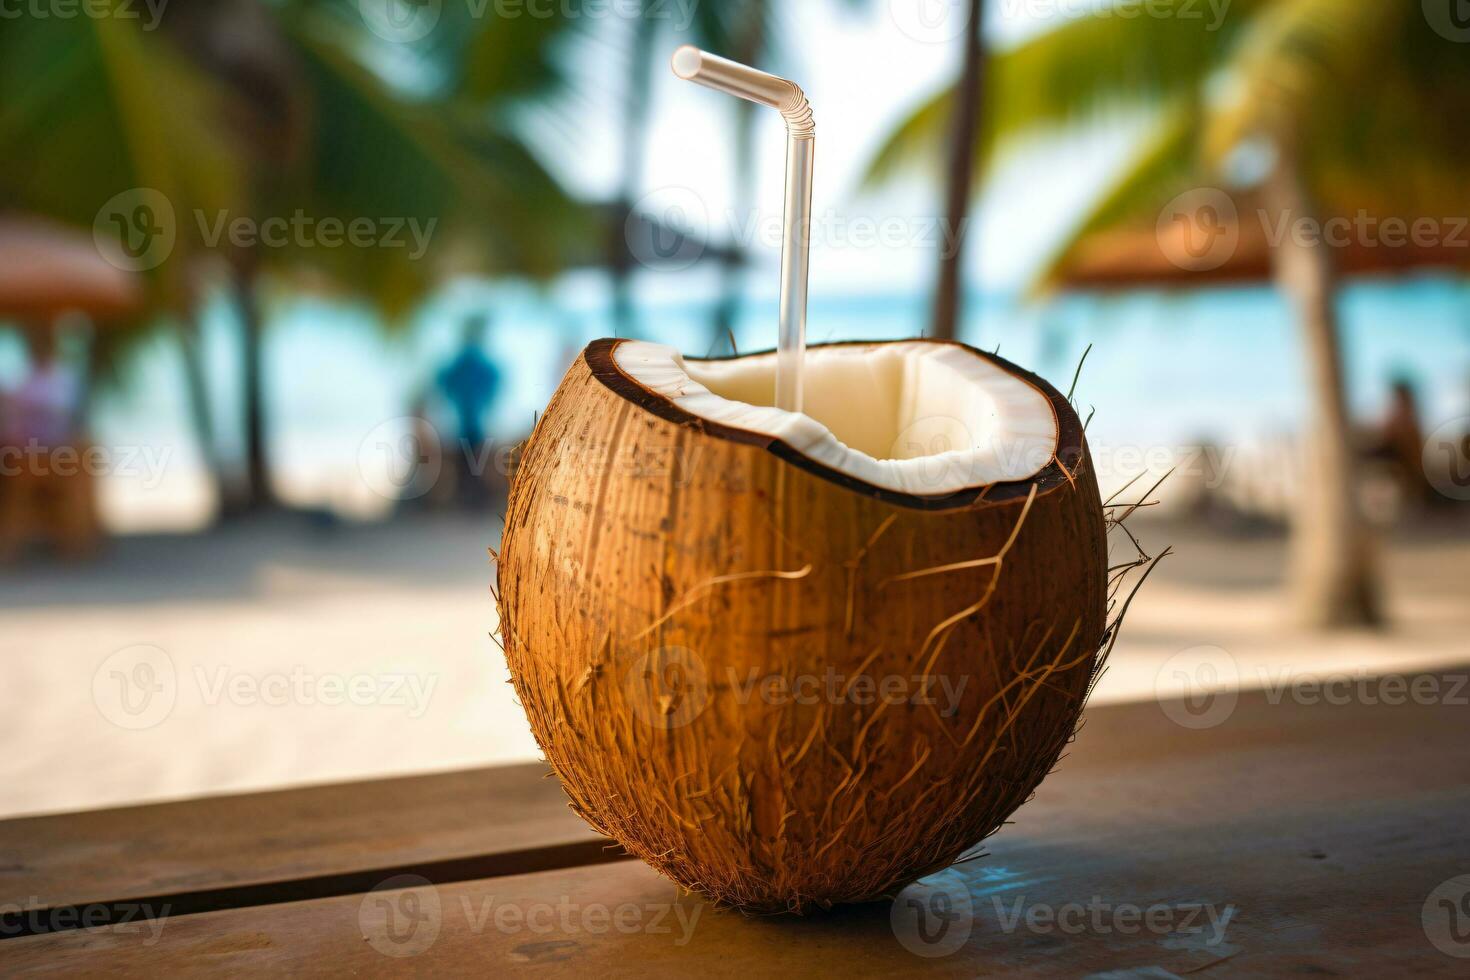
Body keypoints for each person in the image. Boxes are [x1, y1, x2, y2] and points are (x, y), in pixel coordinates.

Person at [0, 324, 97, 561]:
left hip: (41, 460)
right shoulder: (34, 382)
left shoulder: (53, 381)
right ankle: (73, 540)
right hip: (33, 460)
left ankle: (74, 540)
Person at [435, 313, 501, 508]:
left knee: (468, 461)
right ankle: (473, 497)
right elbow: (493, 380)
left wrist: (455, 398)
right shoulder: (476, 362)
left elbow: (444, 381)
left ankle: (469, 497)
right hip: (472, 421)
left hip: (466, 420)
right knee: (474, 460)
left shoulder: (463, 362)